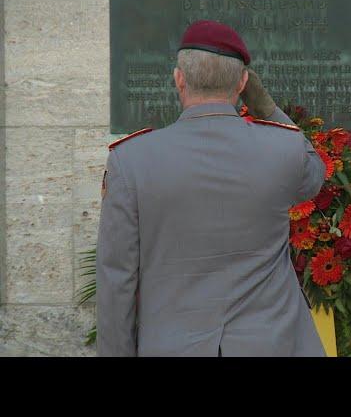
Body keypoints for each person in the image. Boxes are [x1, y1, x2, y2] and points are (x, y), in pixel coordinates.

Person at [96, 20, 326, 357]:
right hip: (272, 345)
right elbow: (314, 174)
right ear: (244, 82)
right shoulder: (284, 149)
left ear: (179, 79)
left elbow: (117, 281)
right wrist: (267, 108)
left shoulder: (130, 161)